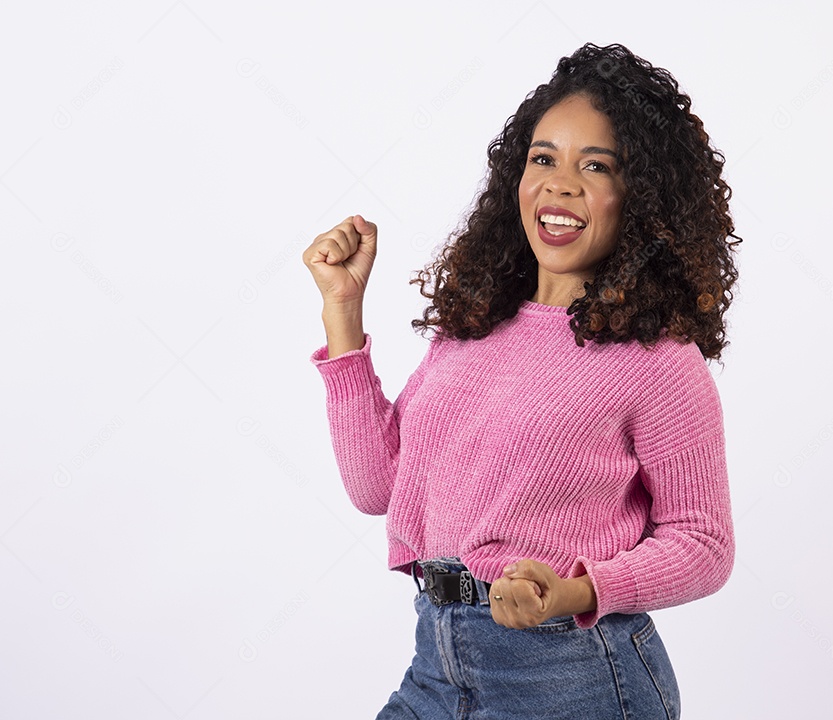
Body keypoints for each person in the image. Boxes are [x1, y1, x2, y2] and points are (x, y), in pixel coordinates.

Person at [302, 42, 742, 719]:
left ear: (641, 198)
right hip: (438, 664)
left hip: (571, 675)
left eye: (595, 166)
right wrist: (343, 311)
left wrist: (575, 591)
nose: (560, 185)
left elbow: (704, 544)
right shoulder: (473, 326)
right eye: (543, 159)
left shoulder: (658, 360)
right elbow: (378, 488)